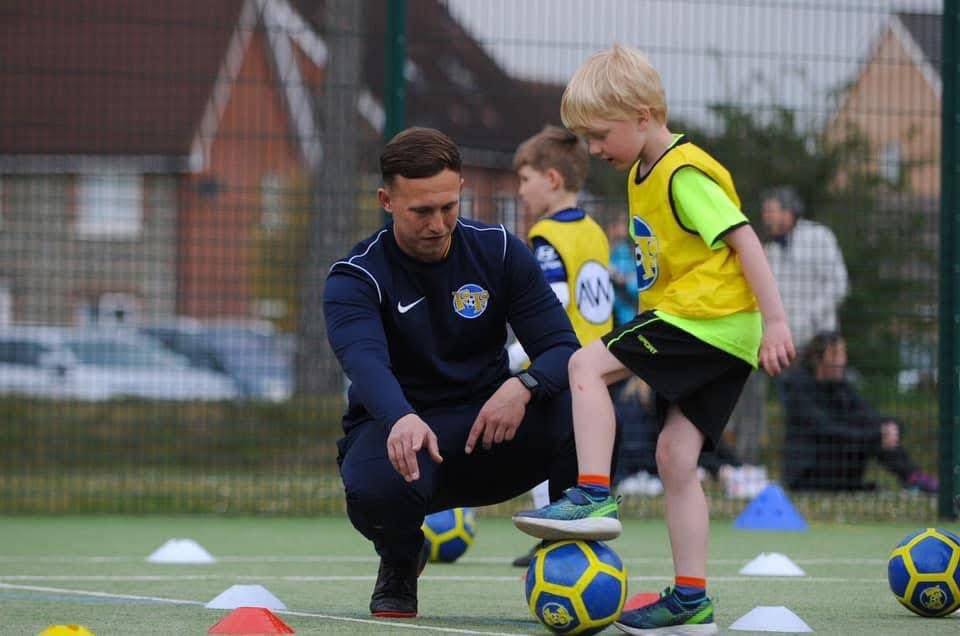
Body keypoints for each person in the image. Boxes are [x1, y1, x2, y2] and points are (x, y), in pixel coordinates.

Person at [511, 44, 795, 634]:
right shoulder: (643, 171)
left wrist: (779, 322)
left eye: (600, 134)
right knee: (675, 457)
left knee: (584, 367)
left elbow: (744, 240)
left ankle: (593, 493)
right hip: (720, 330)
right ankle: (692, 598)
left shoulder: (682, 172)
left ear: (643, 115)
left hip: (705, 317)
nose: (593, 149)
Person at [323, 127, 581, 618]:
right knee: (369, 487)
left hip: (491, 429)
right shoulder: (356, 276)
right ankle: (401, 560)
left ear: (462, 189)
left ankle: (569, 557)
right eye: (422, 210)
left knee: (585, 408)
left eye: (448, 206)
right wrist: (400, 416)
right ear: (386, 200)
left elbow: (563, 349)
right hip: (408, 438)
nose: (438, 224)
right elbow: (365, 362)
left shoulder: (500, 252)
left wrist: (523, 385)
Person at [507, 124, 615, 567]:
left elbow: (552, 306)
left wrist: (510, 358)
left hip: (561, 365)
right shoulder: (594, 231)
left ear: (552, 180)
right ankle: (560, 540)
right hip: (602, 363)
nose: (519, 191)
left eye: (524, 179)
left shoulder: (547, 235)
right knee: (574, 459)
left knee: (543, 451)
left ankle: (552, 536)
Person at [782, 331, 938, 493]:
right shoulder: (798, 388)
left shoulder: (841, 387)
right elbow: (827, 431)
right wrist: (876, 434)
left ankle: (914, 477)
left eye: (843, 354)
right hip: (810, 474)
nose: (842, 361)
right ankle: (913, 478)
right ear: (816, 359)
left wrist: (891, 427)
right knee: (868, 434)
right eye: (835, 355)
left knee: (873, 429)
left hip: (839, 465)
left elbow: (869, 416)